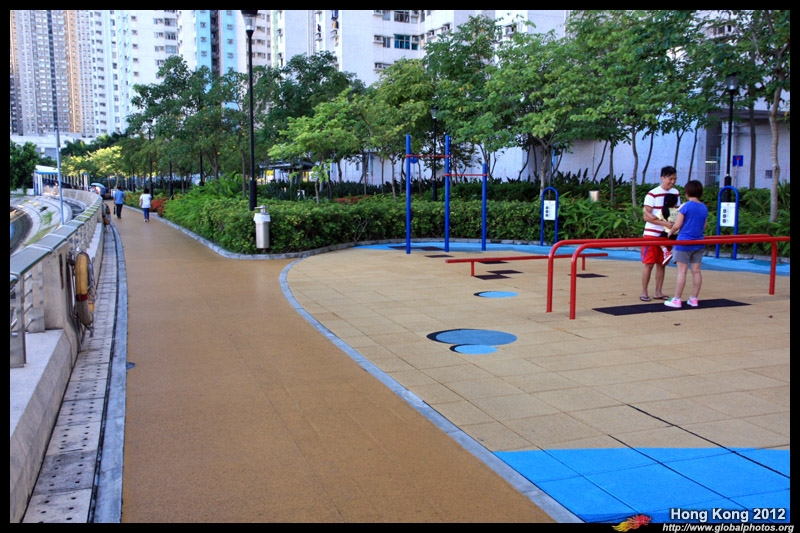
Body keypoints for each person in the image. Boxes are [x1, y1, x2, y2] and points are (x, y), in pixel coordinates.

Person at [664, 180, 708, 308]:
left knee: (682, 272)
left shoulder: (685, 206)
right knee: (696, 271)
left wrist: (670, 231)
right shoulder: (704, 207)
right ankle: (694, 299)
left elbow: (678, 224)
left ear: (687, 192)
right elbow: (704, 226)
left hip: (684, 242)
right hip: (699, 242)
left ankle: (677, 299)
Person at [640, 166, 681, 301]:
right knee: (649, 263)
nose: (672, 182)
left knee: (661, 264)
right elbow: (646, 216)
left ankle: (658, 292)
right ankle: (644, 292)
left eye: (675, 179)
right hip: (652, 234)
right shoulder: (652, 194)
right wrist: (664, 223)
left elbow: (677, 212)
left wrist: (672, 226)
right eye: (670, 179)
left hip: (667, 234)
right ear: (662, 178)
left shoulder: (676, 193)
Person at [655, 193, 680, 265]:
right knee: (674, 243)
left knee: (659, 241)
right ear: (675, 203)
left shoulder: (663, 211)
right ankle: (676, 255)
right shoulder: (678, 210)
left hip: (668, 232)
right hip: (678, 233)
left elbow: (654, 218)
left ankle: (666, 252)